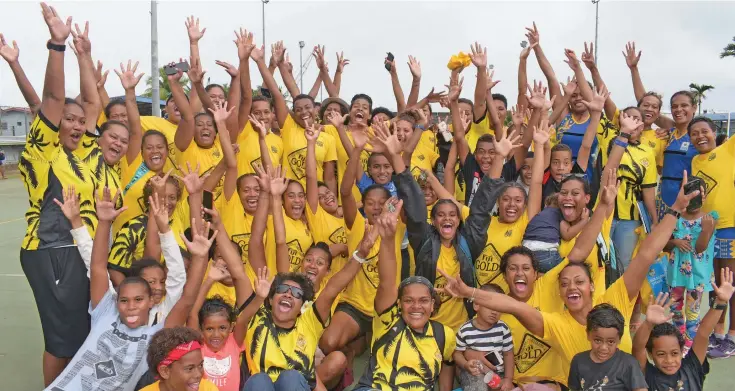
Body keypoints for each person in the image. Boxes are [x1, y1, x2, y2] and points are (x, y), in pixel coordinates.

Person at [439, 170, 699, 378]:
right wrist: (469, 292)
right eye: (564, 283)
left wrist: (675, 210)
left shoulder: (613, 301)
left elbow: (645, 255)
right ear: (558, 289)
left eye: (578, 282)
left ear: (592, 286)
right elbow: (511, 305)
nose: (571, 287)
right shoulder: (558, 324)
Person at [46, 187, 215, 391]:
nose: (131, 306)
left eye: (138, 300)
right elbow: (98, 266)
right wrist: (104, 222)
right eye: (124, 300)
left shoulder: (158, 335)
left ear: (151, 301)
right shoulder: (105, 313)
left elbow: (187, 299)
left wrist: (200, 257)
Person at [18, 5, 100, 384]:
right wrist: (57, 45)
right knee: (62, 340)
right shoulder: (42, 152)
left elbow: (93, 104)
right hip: (52, 250)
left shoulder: (82, 153)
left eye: (81, 122)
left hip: (81, 250)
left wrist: (85, 56)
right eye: (70, 120)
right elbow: (52, 99)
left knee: (80, 332)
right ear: (53, 124)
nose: (79, 126)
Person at [241, 231, 369, 391]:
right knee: (259, 381)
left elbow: (332, 288)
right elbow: (240, 270)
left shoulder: (308, 322)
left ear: (302, 305)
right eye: (283, 289)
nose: (288, 293)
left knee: (292, 377)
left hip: (295, 383)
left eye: (296, 293)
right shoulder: (258, 316)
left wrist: (361, 254)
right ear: (271, 298)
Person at [354, 198, 457, 391]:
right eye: (409, 300)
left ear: (433, 305)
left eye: (424, 300)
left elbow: (448, 364)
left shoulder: (444, 334)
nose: (416, 306)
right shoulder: (388, 319)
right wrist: (387, 239)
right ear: (399, 304)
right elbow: (387, 281)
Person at [252, 42, 338, 195]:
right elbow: (276, 94)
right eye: (298, 109)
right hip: (289, 196)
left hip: (315, 197)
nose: (303, 112)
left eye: (307, 108)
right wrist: (264, 63)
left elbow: (330, 178)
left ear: (316, 111)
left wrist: (330, 203)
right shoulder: (289, 127)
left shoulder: (327, 138)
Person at [187, 206, 256, 391]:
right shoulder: (200, 339)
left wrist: (218, 225)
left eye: (222, 328)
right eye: (219, 257)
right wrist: (209, 279)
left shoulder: (234, 338)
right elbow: (192, 313)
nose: (225, 263)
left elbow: (239, 274)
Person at [632, 268, 735, 391]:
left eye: (674, 353)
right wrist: (648, 324)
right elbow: (638, 348)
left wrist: (721, 302)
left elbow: (703, 333)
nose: (669, 360)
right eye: (661, 354)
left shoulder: (692, 368)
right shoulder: (647, 375)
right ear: (650, 354)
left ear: (681, 351)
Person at [688, 116, 735, 358]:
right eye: (694, 133)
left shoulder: (728, 149)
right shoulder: (695, 160)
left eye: (704, 131)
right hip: (708, 229)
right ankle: (717, 333)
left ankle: (733, 336)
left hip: (729, 228)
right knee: (714, 282)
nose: (700, 136)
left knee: (731, 282)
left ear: (714, 132)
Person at [663, 185, 717, 354]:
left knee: (693, 312)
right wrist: (675, 242)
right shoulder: (674, 217)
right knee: (675, 308)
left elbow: (700, 248)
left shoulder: (709, 219)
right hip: (676, 273)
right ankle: (679, 340)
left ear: (704, 197)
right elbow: (664, 244)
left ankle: (688, 346)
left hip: (697, 274)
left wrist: (706, 231)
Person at [567, 304, 648, 391]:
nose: (603, 348)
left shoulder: (628, 363)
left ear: (619, 339)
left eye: (610, 342)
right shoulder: (578, 361)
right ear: (588, 334)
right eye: (598, 340)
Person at [453, 284, 515, 391]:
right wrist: (465, 364)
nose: (494, 311)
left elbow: (508, 354)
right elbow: (457, 353)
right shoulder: (465, 330)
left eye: (498, 307)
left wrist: (508, 379)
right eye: (490, 306)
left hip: (498, 374)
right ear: (476, 304)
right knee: (478, 385)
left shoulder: (503, 328)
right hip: (474, 373)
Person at [522, 194, 588, 273]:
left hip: (525, 255)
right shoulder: (558, 213)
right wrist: (584, 221)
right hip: (546, 255)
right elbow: (567, 234)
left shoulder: (539, 215)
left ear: (546, 205)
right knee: (569, 269)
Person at [142, 327, 219, 391]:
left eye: (200, 365)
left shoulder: (208, 388)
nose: (198, 374)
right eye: (190, 368)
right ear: (165, 371)